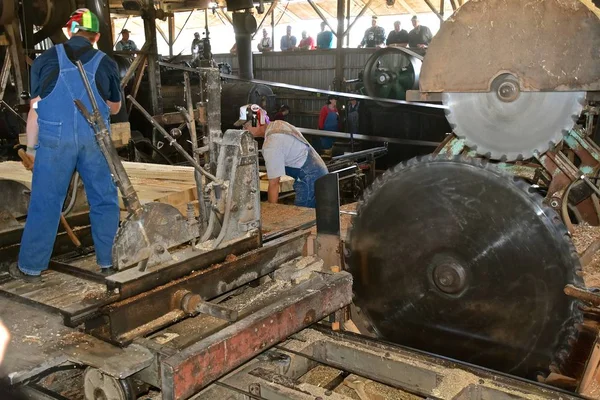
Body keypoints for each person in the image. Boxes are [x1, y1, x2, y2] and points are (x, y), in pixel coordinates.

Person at [10, 8, 121, 283]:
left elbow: (35, 109)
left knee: (45, 202)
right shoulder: (106, 62)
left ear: (70, 30)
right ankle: (109, 261)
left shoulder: (45, 59)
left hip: (55, 140)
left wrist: (33, 149)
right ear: (95, 36)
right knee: (104, 199)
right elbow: (115, 108)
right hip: (95, 139)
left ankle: (31, 268)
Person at [234, 104, 327, 208]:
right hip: (318, 172)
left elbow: (274, 184)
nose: (244, 130)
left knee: (302, 217)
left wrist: (272, 210)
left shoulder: (271, 144)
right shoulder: (278, 124)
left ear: (257, 121)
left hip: (310, 177)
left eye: (246, 126)